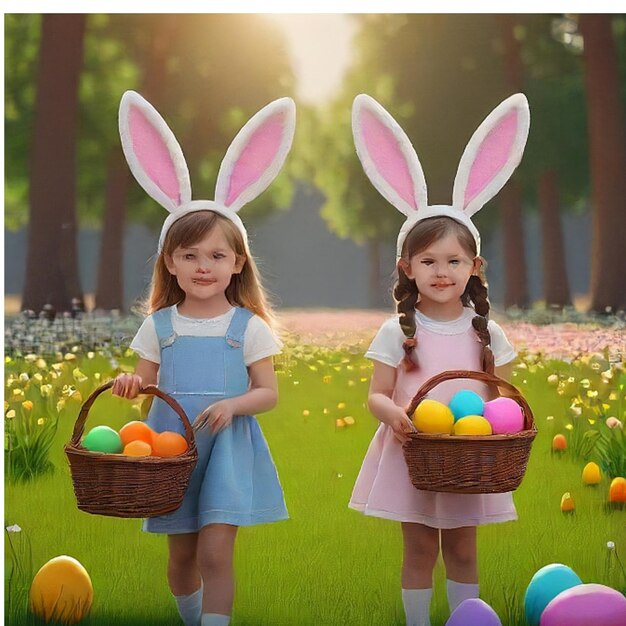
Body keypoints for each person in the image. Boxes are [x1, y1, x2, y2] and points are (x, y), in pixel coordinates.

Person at [111, 91, 296, 626]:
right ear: (170, 262)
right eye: (189, 256)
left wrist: (234, 405)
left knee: (216, 553)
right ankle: (191, 616)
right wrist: (128, 384)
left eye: (216, 255)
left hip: (227, 449)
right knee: (181, 559)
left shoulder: (248, 327)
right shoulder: (159, 325)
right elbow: (144, 383)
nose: (203, 266)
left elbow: (268, 392)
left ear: (237, 263)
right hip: (171, 449)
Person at [348, 93, 530, 626]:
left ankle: (464, 619)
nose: (441, 271)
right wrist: (396, 418)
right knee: (420, 548)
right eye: (428, 261)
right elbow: (376, 396)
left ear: (474, 266)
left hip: (469, 456)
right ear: (407, 267)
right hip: (415, 454)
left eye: (454, 260)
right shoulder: (396, 330)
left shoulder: (487, 332)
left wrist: (496, 433)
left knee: (465, 549)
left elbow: (505, 401)